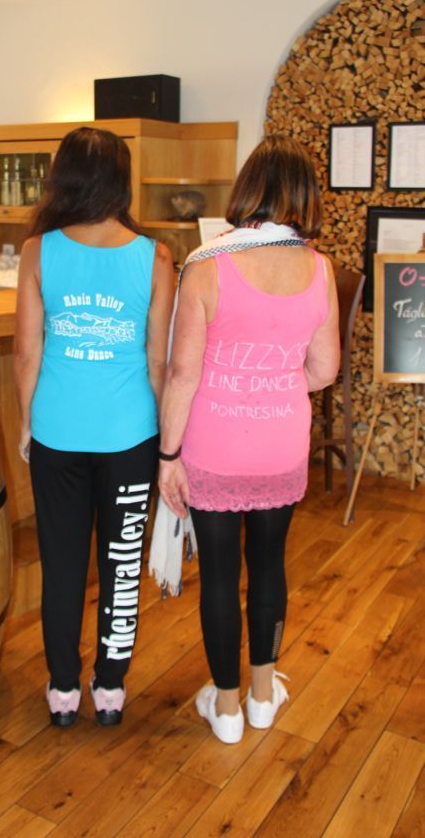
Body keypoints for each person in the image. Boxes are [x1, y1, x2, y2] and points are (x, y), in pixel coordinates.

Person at [157, 135, 340, 744]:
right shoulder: (320, 269)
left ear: (248, 189)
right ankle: (263, 696)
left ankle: (228, 708)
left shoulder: (206, 265)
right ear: (304, 195)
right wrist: (275, 380)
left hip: (213, 448)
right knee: (268, 567)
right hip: (280, 444)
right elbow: (324, 370)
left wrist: (168, 456)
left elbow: (182, 374)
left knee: (217, 576)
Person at [14, 126, 174, 727]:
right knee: (121, 566)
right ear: (121, 181)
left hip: (57, 432)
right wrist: (165, 442)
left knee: (60, 566)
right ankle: (109, 688)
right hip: (131, 435)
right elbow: (158, 361)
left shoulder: (38, 251)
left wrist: (27, 424)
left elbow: (27, 352)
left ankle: (62, 690)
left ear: (63, 177)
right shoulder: (156, 257)